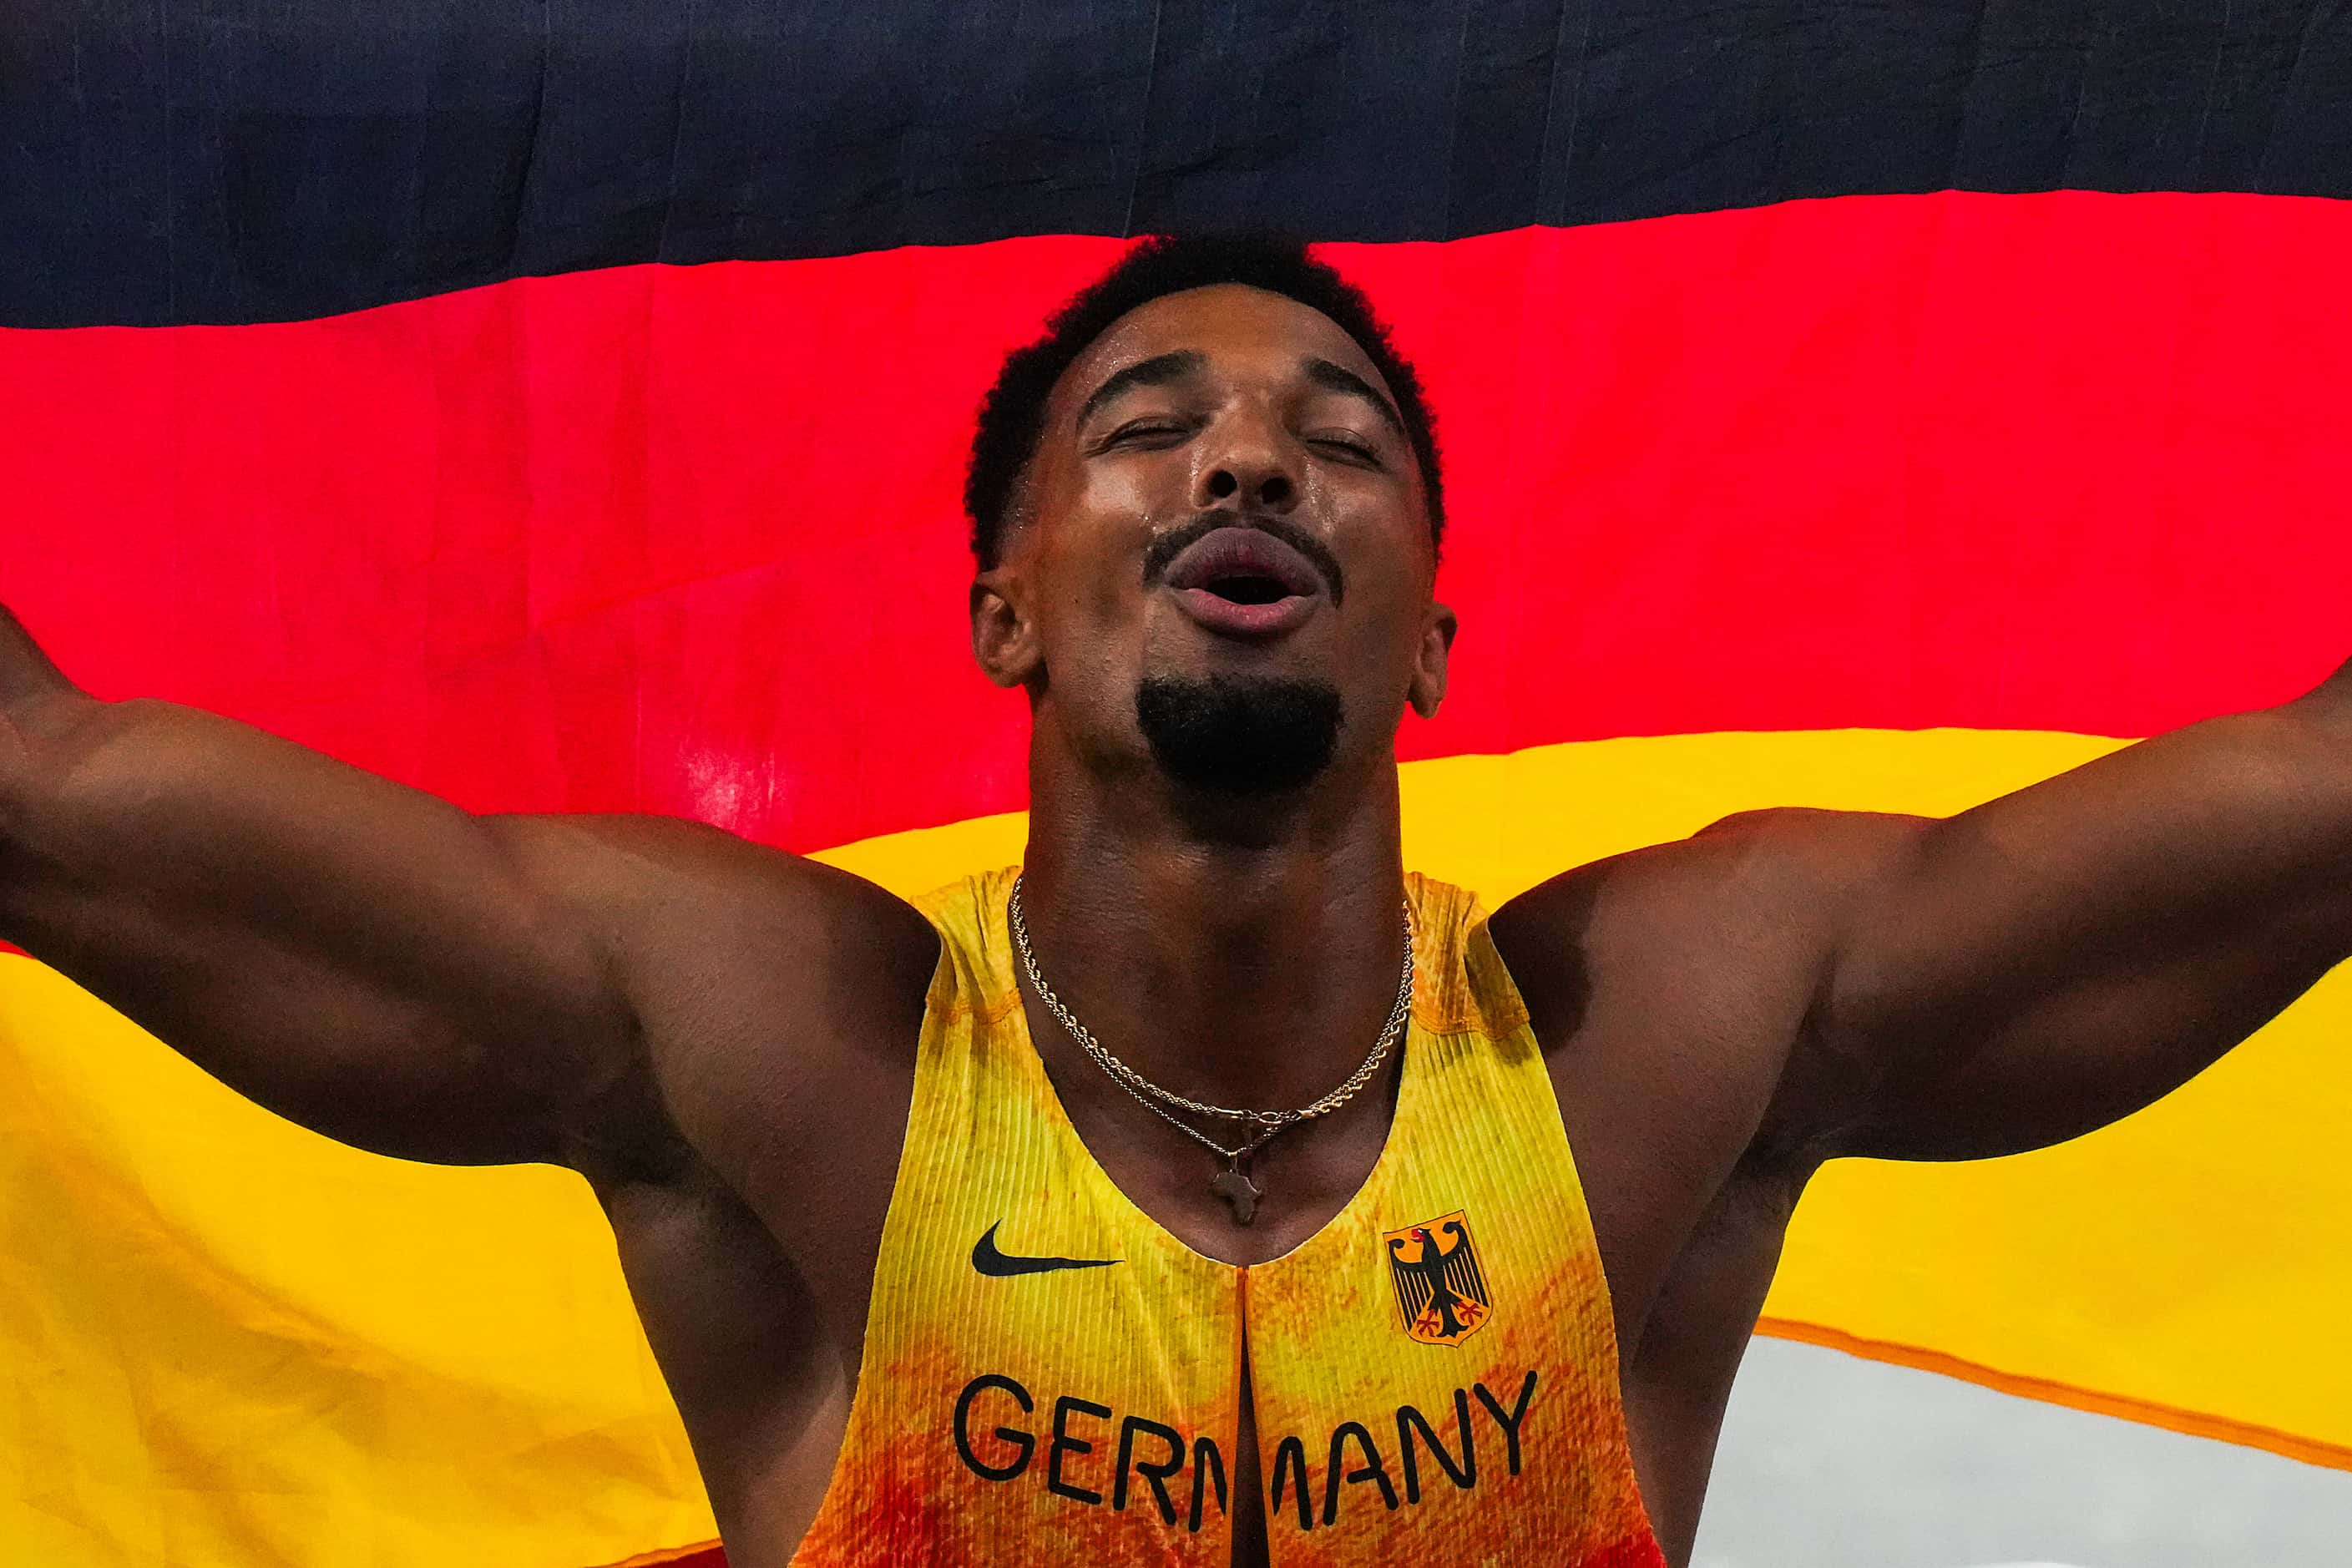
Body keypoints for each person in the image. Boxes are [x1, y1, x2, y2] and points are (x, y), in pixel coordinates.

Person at [1, 235, 2345, 1568]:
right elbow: (44, 792)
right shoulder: (791, 1057)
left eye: (1344, 440)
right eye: (1150, 428)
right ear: (1011, 604)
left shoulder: (1659, 1038)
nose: (1250, 451)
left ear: (1430, 637)